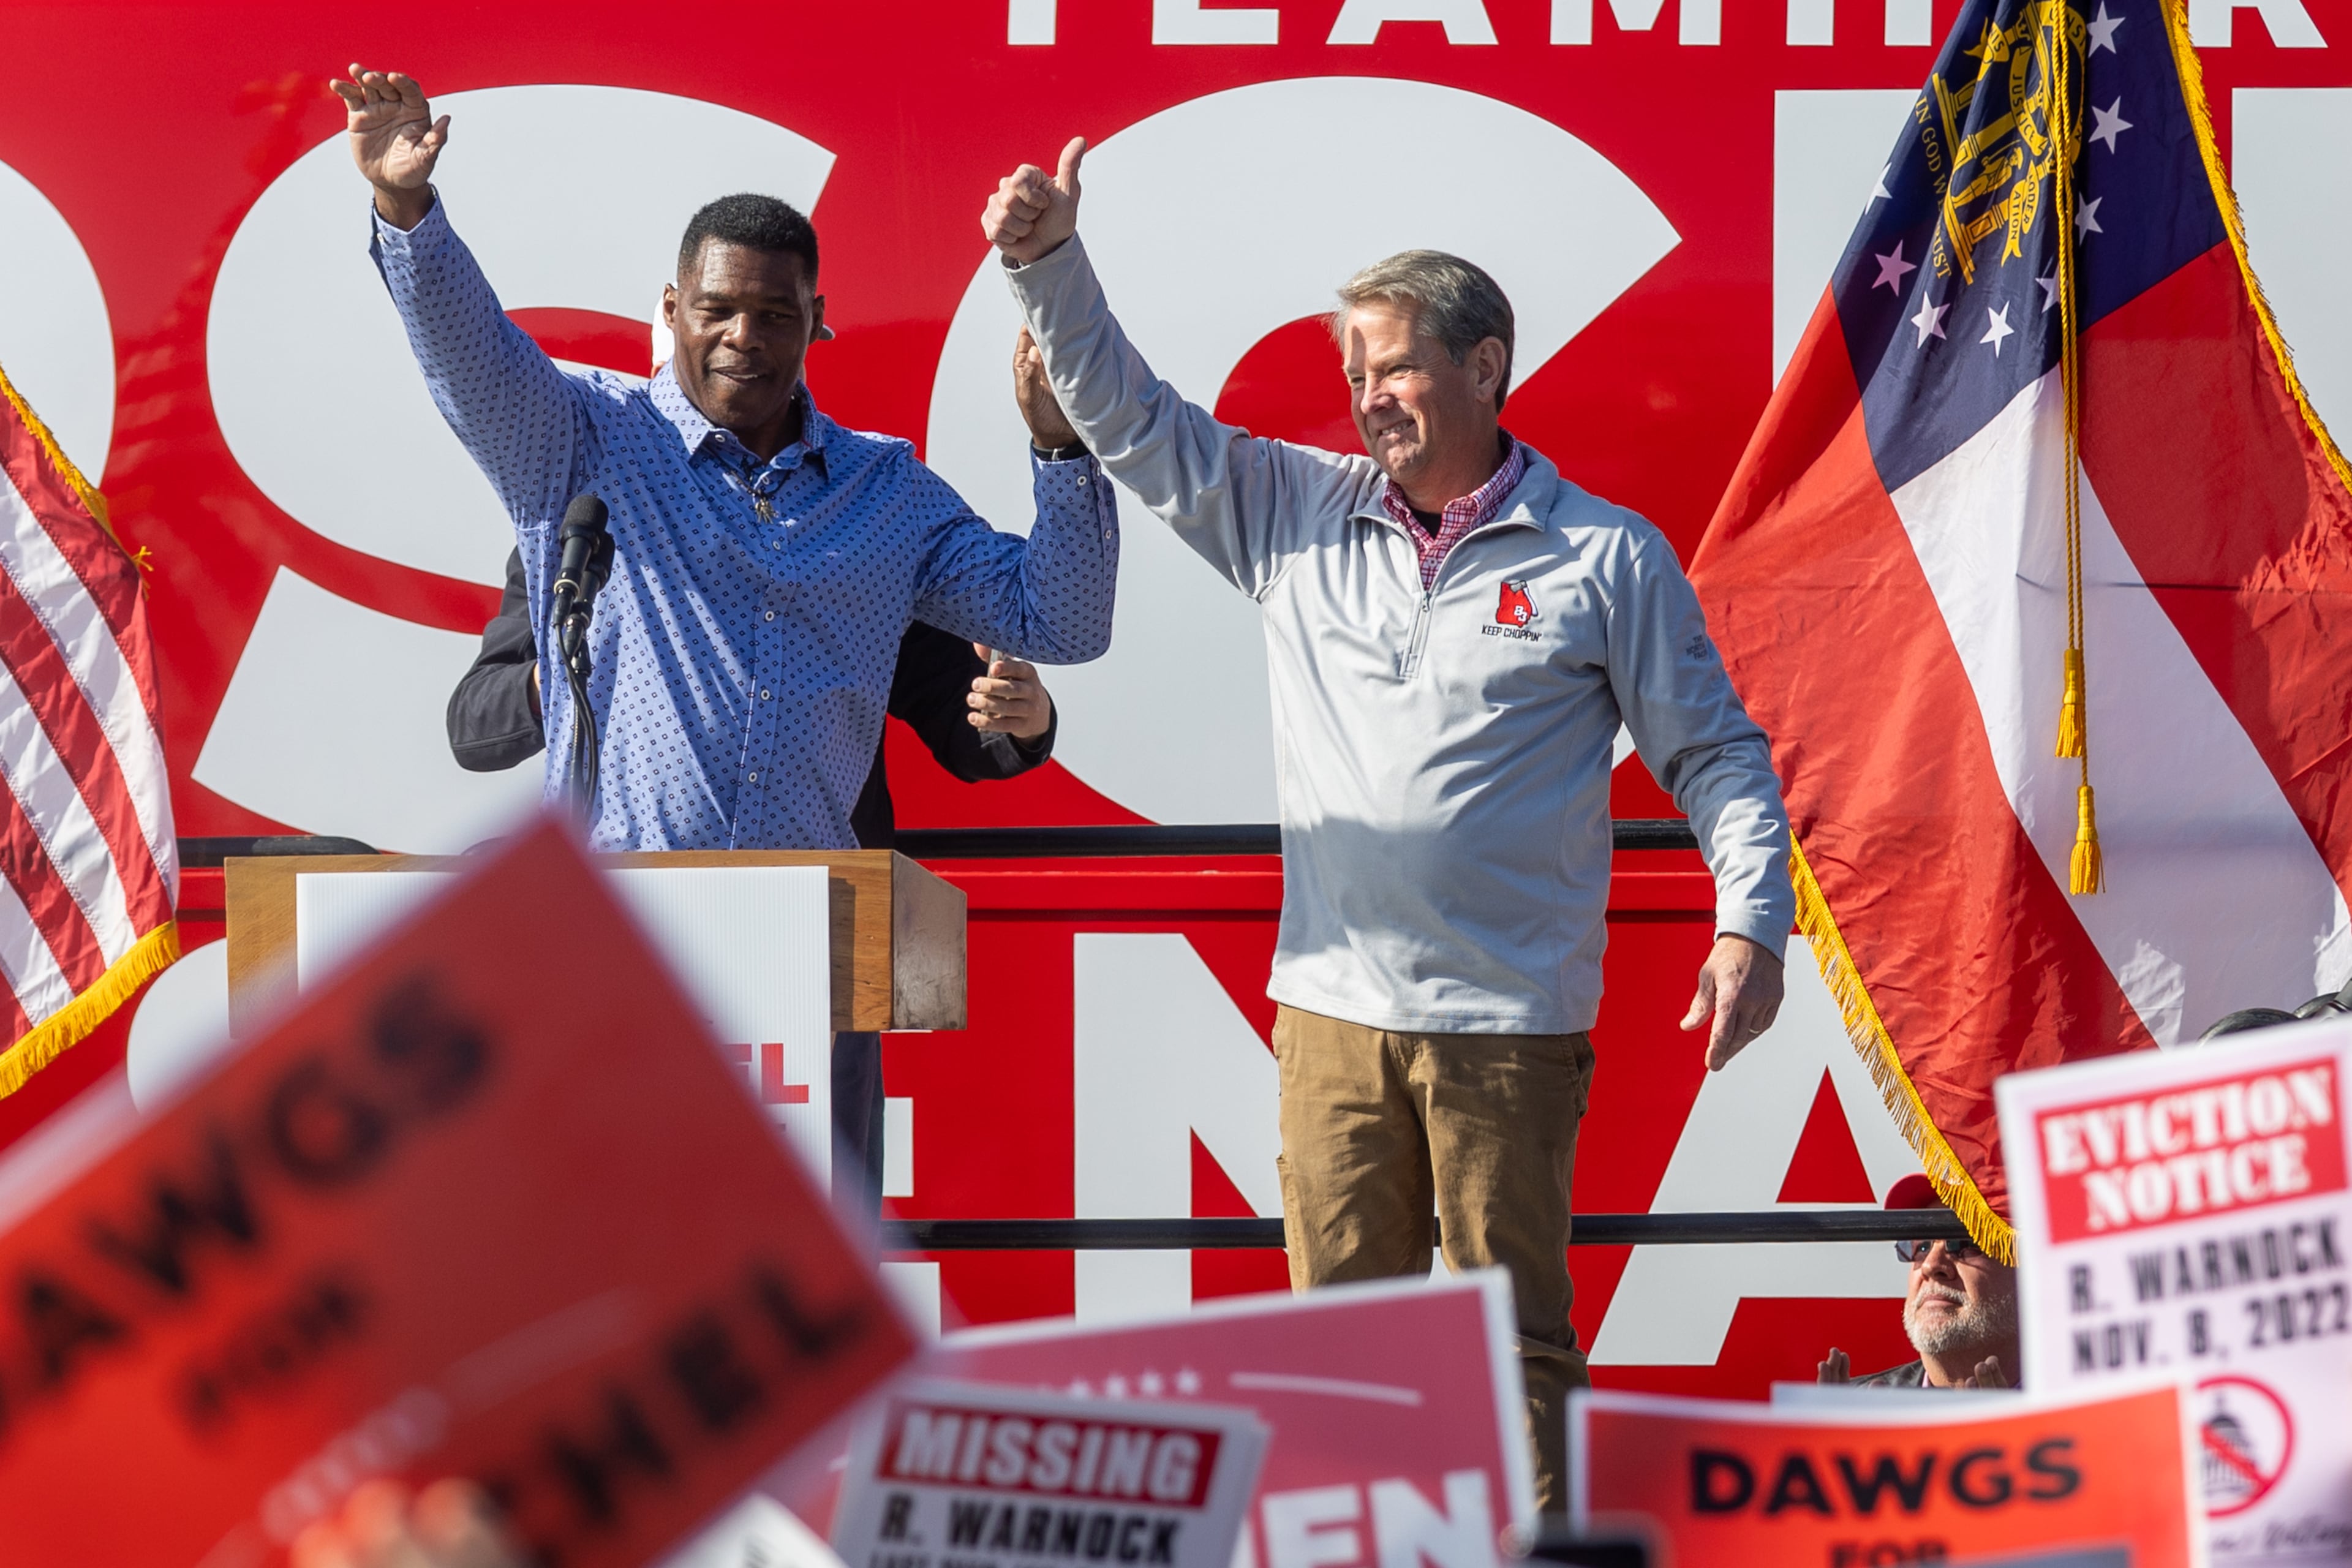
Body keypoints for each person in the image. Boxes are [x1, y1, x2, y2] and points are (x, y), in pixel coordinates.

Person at [982, 143, 1793, 1510]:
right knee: (1337, 1354)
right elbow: (1129, 418)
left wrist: (1747, 924)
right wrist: (1047, 262)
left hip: (1512, 1023)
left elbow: (1715, 753)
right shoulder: (1291, 509)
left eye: (1396, 366)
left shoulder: (1606, 554)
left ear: (1487, 367)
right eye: (1355, 374)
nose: (1368, 398)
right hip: (1334, 1018)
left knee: (1518, 1343)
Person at [335, 65, 1116, 856]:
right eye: (717, 310)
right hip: (623, 930)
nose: (744, 336)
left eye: (775, 315)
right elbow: (472, 356)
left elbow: (1063, 621)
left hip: (812, 932)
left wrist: (1062, 445)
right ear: (674, 311)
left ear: (816, 322)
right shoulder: (586, 439)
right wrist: (406, 209)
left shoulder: (887, 490)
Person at [446, 543, 1062, 1210]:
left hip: (813, 955)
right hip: (612, 968)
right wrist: (561, 673)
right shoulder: (587, 529)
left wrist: (1021, 718)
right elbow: (474, 721)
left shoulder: (854, 528)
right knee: (611, 1237)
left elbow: (962, 718)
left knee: (813, 1250)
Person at [1818, 1174, 2017, 1389]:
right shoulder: (1856, 1411)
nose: (1931, 1266)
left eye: (1966, 1242)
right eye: (1922, 1246)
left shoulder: (2059, 1406)